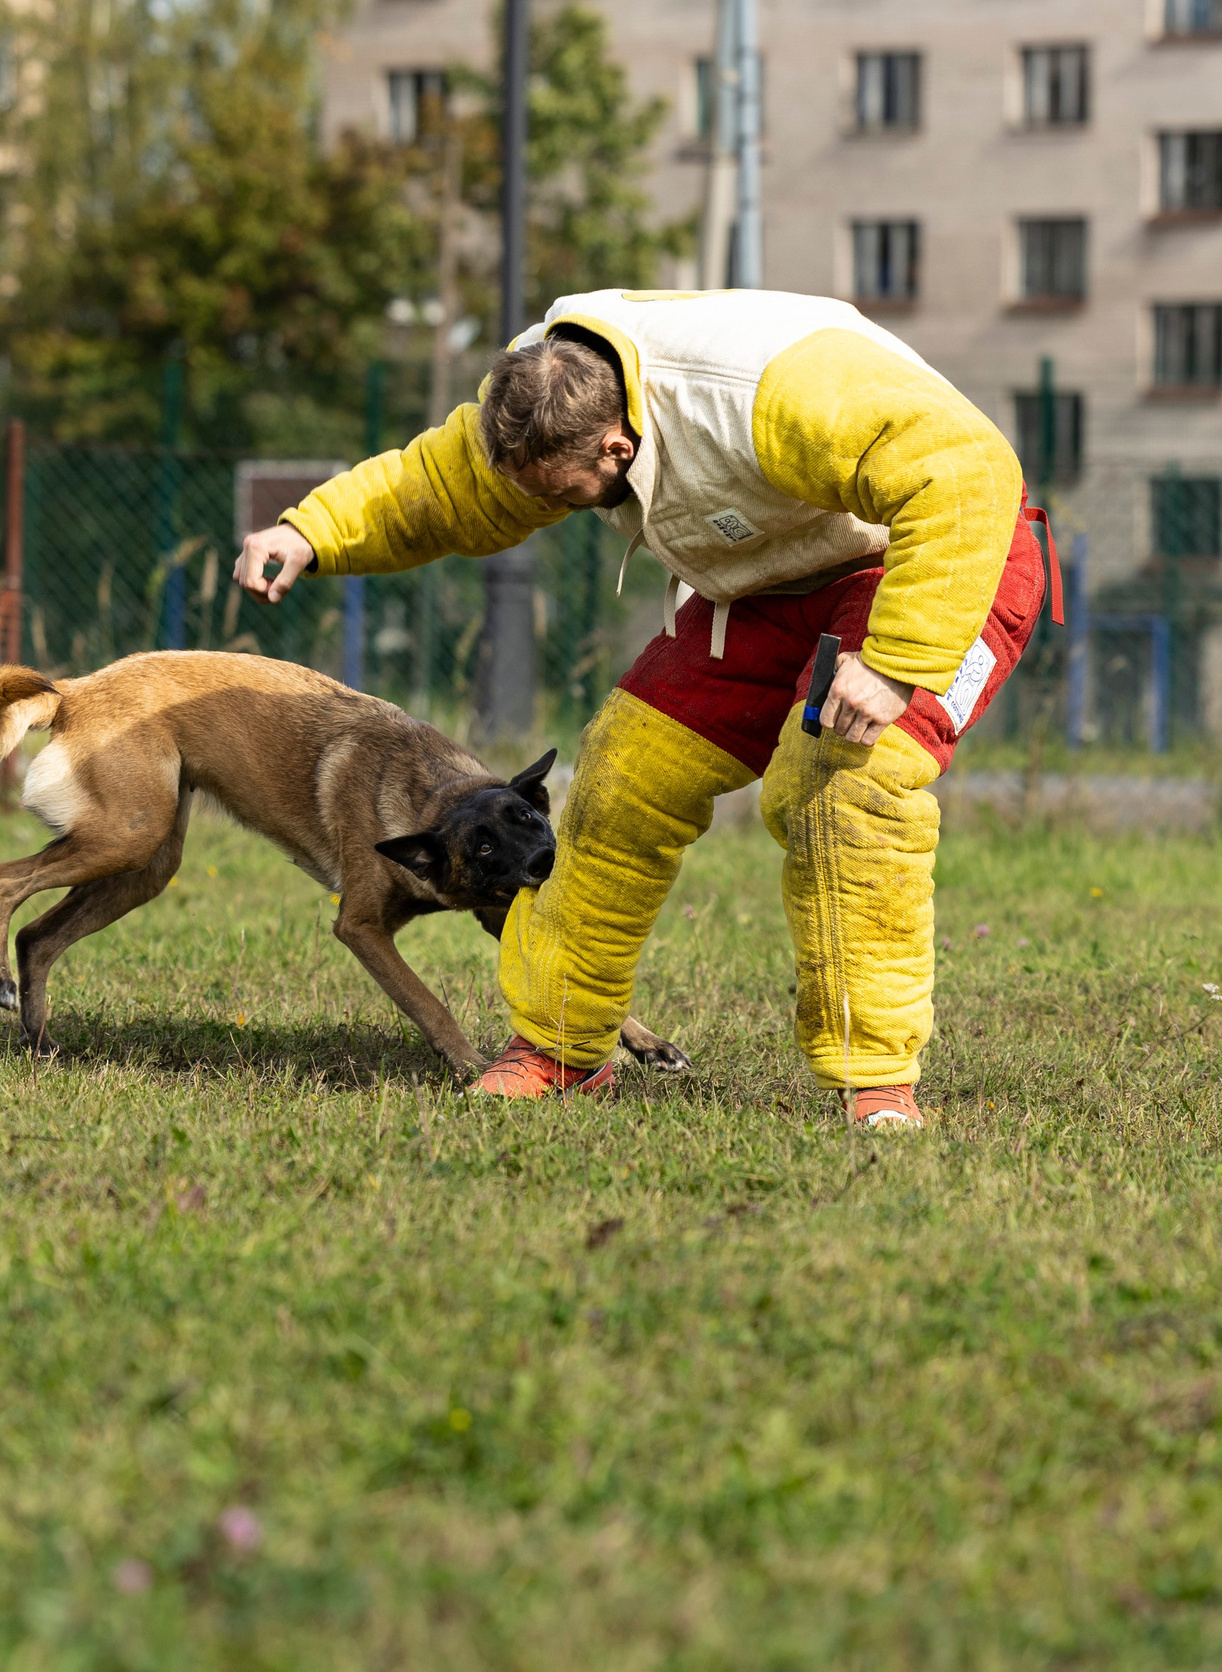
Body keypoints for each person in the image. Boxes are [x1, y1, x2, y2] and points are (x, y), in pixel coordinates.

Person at [233, 288, 1053, 1126]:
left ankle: (876, 1083)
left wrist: (897, 661)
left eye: (567, 495)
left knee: (839, 783)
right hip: (775, 581)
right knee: (621, 775)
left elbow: (963, 471)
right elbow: (444, 484)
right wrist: (310, 532)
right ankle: (561, 1046)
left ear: (619, 444)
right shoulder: (543, 392)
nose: (554, 510)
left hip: (943, 559)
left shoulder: (773, 390)